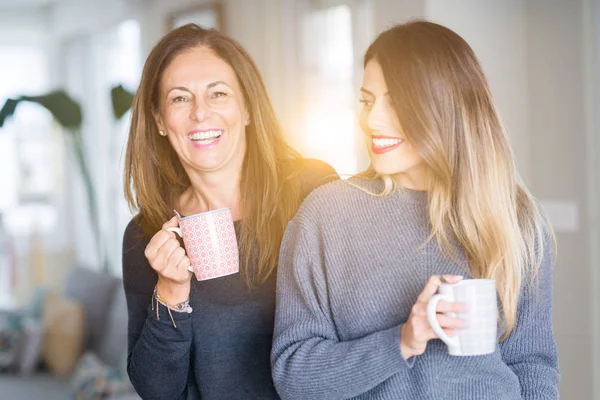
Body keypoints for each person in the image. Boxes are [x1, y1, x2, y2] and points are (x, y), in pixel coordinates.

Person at [271, 20, 559, 400]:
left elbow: (532, 365)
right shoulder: (326, 216)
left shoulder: (517, 218)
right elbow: (295, 376)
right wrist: (402, 341)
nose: (372, 120)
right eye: (368, 100)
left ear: (445, 106)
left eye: (395, 100)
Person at [122, 24, 337, 400]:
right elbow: (156, 390)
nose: (200, 114)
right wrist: (170, 292)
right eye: (179, 99)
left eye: (218, 94)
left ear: (248, 107)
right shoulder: (146, 234)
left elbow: (356, 320)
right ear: (158, 120)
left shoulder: (311, 188)